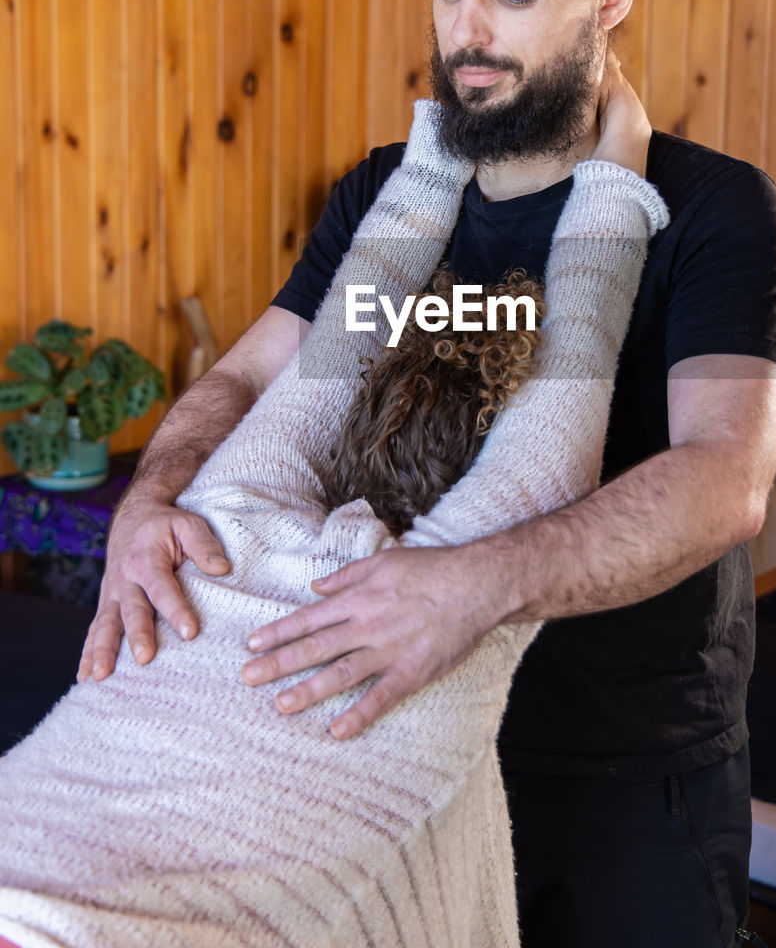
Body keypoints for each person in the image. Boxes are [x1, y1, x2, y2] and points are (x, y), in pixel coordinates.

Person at [74, 0, 776, 946]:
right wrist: (151, 496)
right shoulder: (388, 199)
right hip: (392, 745)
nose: (465, 33)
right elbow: (254, 372)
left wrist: (471, 586)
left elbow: (723, 480)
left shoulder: (710, 209)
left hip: (623, 768)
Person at [0, 81, 666, 946]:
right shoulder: (465, 609)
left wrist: (444, 142)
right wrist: (625, 161)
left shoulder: (219, 522)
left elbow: (358, 310)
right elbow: (579, 348)